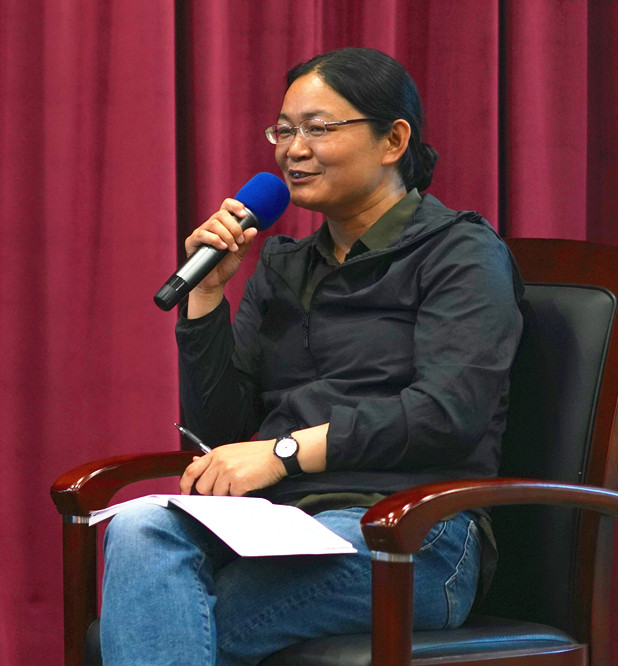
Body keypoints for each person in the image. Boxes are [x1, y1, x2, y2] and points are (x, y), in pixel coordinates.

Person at [100, 47, 524, 665]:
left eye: (319, 129)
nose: (293, 150)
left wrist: (282, 453)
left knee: (175, 614)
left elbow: (446, 413)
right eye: (284, 130)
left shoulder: (459, 252)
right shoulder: (283, 265)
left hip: (411, 533)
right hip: (280, 526)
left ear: (393, 140)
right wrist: (207, 298)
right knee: (139, 530)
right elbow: (221, 433)